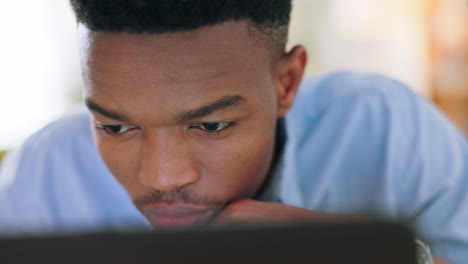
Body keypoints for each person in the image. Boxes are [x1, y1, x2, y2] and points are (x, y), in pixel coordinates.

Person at [0, 1, 466, 263]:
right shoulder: (48, 170)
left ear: (286, 84)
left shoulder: (384, 127)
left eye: (211, 125)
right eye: (116, 126)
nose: (164, 178)